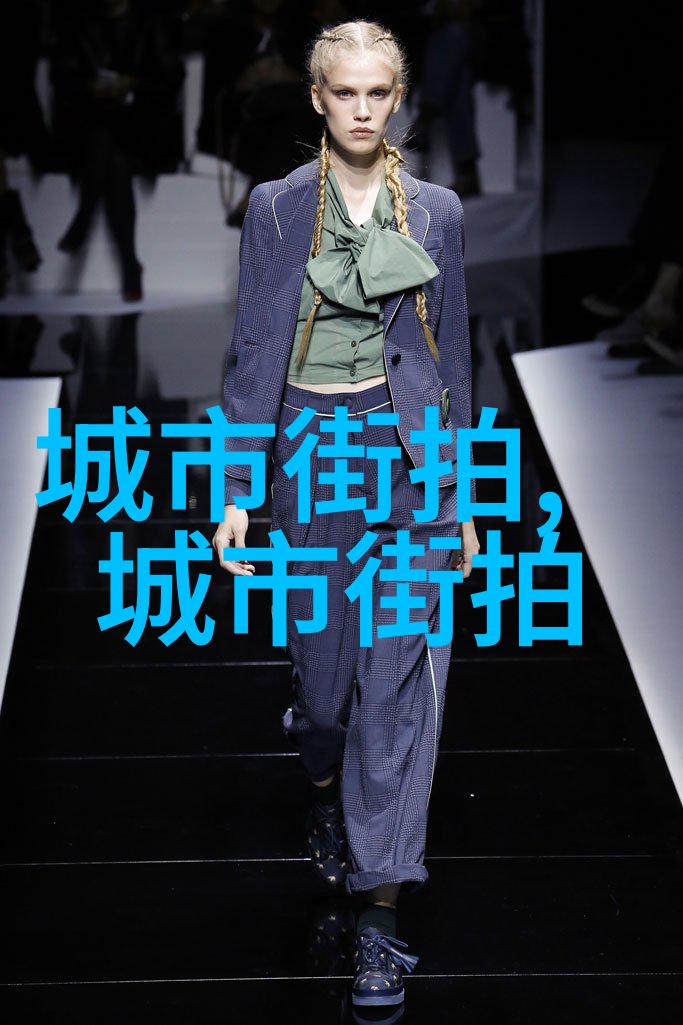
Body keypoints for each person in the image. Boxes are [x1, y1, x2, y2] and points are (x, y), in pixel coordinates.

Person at [212, 18, 480, 1013]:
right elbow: (252, 349)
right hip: (308, 457)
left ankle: (379, 917)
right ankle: (320, 781)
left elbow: (452, 358)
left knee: (396, 696)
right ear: (317, 99)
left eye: (377, 93)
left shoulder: (436, 212)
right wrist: (236, 489)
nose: (362, 110)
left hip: (403, 459)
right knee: (326, 699)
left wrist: (457, 496)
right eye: (344, 92)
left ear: (396, 99)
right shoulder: (278, 208)